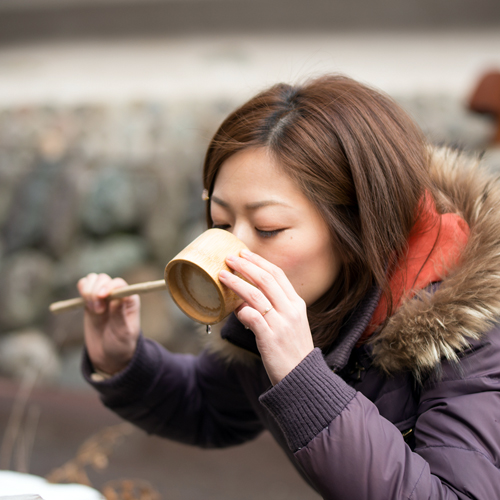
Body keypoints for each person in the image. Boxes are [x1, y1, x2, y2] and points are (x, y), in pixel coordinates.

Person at [77, 75, 500, 499]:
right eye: (222, 223)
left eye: (268, 227)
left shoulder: (472, 338)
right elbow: (212, 407)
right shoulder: (302, 302)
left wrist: (305, 381)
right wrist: (122, 361)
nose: (234, 251)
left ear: (359, 230)